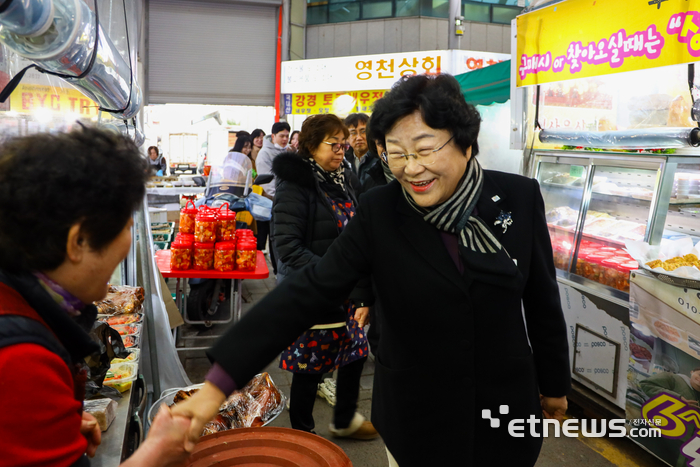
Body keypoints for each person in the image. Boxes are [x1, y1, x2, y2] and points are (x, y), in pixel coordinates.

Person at [172, 74, 571, 467]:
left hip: (502, 410)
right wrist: (216, 386)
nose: (411, 168)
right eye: (395, 153)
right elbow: (308, 290)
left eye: (425, 149)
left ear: (466, 144)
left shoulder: (517, 198)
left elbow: (541, 300)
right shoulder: (382, 209)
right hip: (416, 414)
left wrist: (554, 386)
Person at [0, 127, 193, 467]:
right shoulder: (21, 360)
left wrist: (53, 424)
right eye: (124, 224)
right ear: (78, 242)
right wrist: (155, 454)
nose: (128, 241)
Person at [268, 114, 376, 439]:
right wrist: (334, 277)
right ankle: (303, 433)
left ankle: (344, 420)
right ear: (311, 146)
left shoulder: (344, 178)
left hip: (347, 291)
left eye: (343, 144)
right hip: (313, 290)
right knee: (309, 365)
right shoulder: (295, 186)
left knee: (355, 353)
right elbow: (287, 247)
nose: (341, 150)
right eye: (333, 144)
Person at [256, 122, 290, 264]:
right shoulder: (264, 154)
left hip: (288, 199)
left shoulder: (288, 151)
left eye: (287, 136)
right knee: (275, 234)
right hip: (274, 200)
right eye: (281, 136)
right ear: (273, 136)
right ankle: (277, 267)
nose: (285, 139)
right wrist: (281, 197)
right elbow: (268, 183)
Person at [344, 113, 378, 187]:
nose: (358, 138)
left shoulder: (380, 158)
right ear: (346, 137)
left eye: (363, 132)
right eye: (353, 133)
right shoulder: (343, 161)